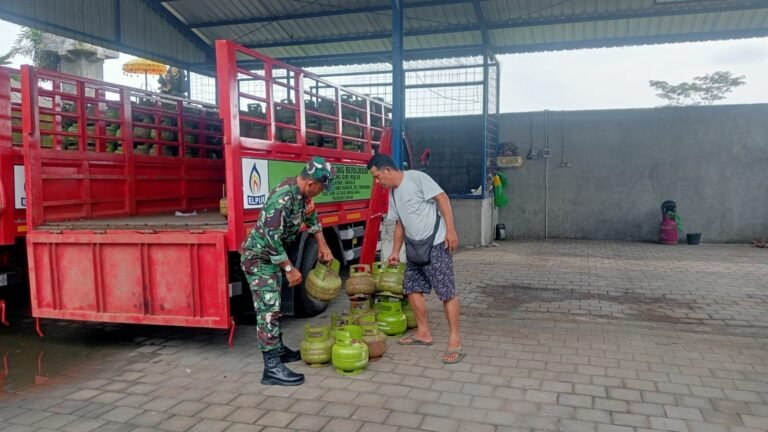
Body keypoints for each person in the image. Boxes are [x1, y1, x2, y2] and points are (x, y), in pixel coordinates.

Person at [241, 156, 336, 386]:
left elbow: (312, 217)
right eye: (322, 188)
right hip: (259, 258)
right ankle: (272, 368)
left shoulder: (303, 196)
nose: (321, 192)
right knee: (268, 309)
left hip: (273, 258)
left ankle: (279, 349)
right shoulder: (282, 198)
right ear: (311, 183)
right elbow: (269, 238)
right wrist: (290, 268)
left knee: (276, 306)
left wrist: (323, 244)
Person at [367, 154, 464, 364]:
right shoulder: (392, 194)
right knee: (411, 288)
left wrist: (451, 230)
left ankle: (455, 340)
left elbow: (442, 198)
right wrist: (395, 251)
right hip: (414, 248)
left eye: (376, 177)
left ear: (387, 170)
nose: (377, 182)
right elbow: (400, 224)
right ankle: (423, 332)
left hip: (437, 243)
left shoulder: (416, 178)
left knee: (446, 292)